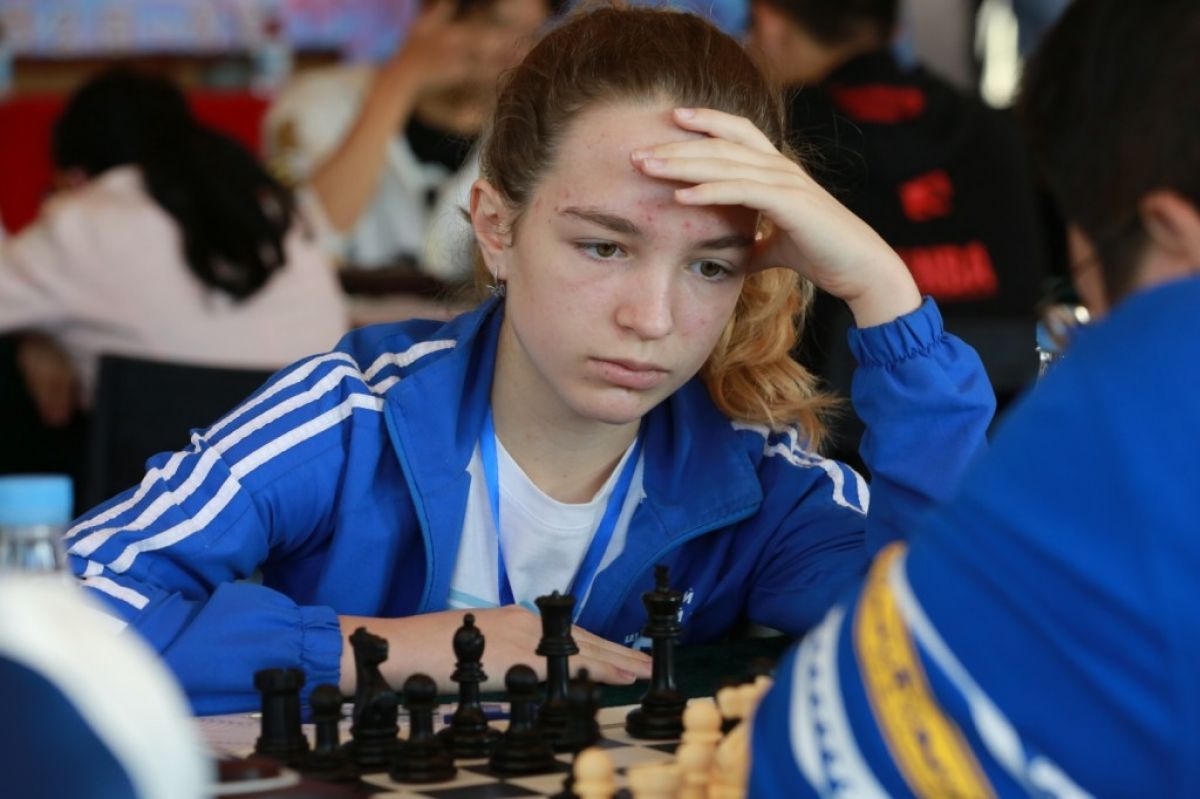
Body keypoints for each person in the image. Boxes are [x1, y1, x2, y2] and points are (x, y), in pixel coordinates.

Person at [68, 6, 994, 716]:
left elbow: (959, 641)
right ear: (496, 228)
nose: (652, 318)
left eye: (710, 266)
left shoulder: (761, 486)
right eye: (604, 246)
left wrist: (884, 291)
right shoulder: (348, 417)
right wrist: (392, 647)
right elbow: (61, 611)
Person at [750, 0, 1200, 795]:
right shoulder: (982, 132)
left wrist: (888, 293)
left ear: (1173, 238)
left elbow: (819, 760)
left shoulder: (1133, 412)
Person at [747, 0, 1050, 467]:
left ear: (769, 24)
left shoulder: (782, 140)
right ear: (895, 29)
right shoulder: (995, 130)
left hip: (838, 447)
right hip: (1014, 424)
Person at [0, 68, 349, 412]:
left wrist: (40, 331)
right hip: (324, 442)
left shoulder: (82, 223)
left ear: (76, 176)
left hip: (165, 448)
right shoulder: (271, 208)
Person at [263, 0, 556, 282]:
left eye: (531, 33)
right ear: (434, 16)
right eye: (498, 24)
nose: (516, 50)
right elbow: (307, 236)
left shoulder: (535, 136)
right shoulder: (316, 101)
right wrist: (401, 80)